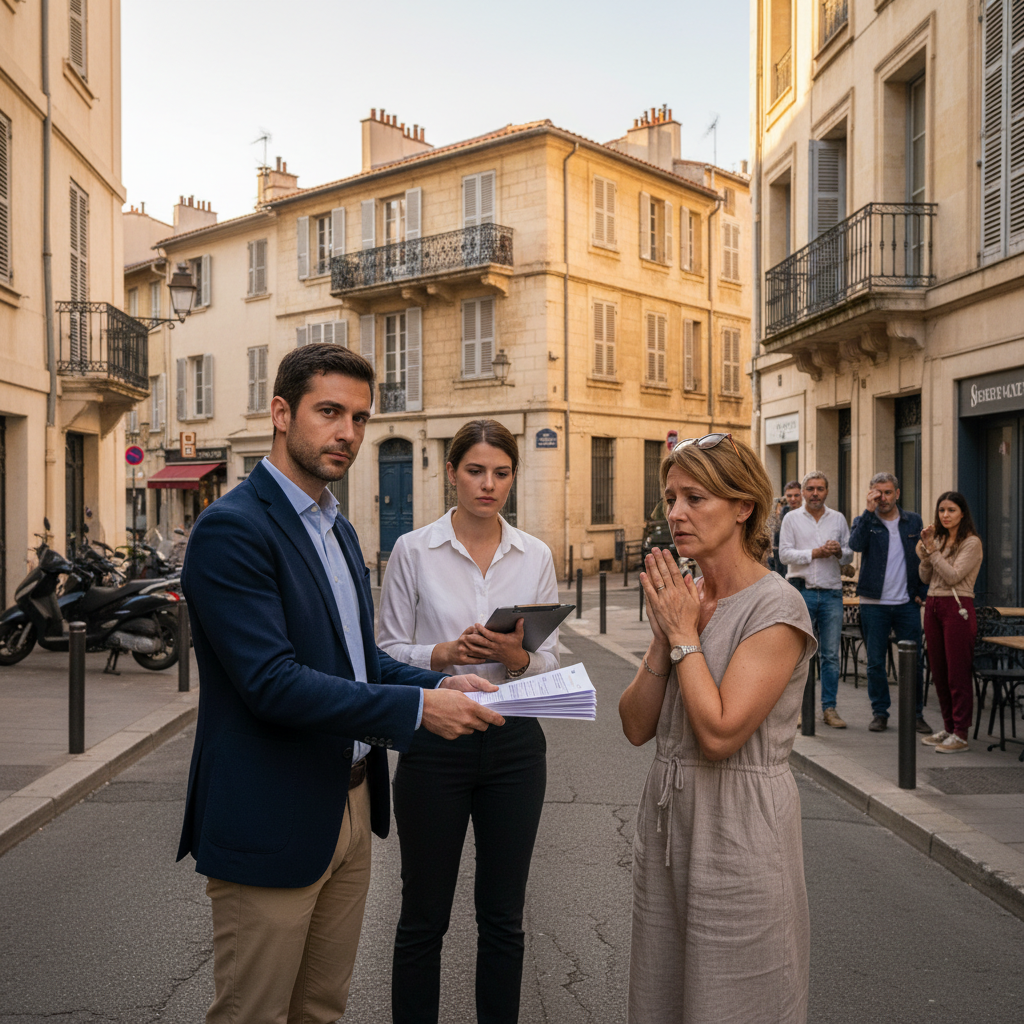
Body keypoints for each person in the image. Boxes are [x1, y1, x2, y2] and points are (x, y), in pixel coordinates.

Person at [177, 345, 504, 1024]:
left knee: (321, 1009)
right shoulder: (232, 529)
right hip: (271, 813)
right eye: (329, 412)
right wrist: (418, 709)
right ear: (280, 413)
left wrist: (447, 681)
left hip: (351, 807)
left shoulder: (338, 528)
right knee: (253, 1014)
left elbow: (361, 663)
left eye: (358, 416)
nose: (348, 433)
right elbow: (273, 683)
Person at [619, 432, 816, 1024]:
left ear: (743, 507)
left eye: (695, 498)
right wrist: (665, 634)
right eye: (671, 497)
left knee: (736, 999)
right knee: (664, 995)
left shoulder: (776, 607)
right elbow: (635, 726)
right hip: (669, 824)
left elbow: (722, 733)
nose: (676, 513)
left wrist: (683, 635)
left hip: (740, 828)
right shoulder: (687, 597)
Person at [378, 418, 559, 1024]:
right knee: (423, 917)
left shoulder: (534, 554)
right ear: (451, 472)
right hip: (437, 740)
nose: (489, 485)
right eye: (476, 471)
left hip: (515, 745)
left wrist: (520, 657)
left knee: (504, 918)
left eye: (501, 473)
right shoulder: (412, 550)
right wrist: (443, 655)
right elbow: (385, 651)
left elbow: (550, 657)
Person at [849, 473, 932, 734]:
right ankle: (880, 713)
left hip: (907, 601)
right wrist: (868, 512)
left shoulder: (913, 521)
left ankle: (915, 714)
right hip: (874, 602)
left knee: (914, 661)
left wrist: (922, 590)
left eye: (887, 492)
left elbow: (923, 557)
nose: (882, 498)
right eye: (877, 493)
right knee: (875, 661)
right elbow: (855, 545)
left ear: (897, 493)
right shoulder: (865, 521)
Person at [778, 471, 853, 728]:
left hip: (831, 592)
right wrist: (815, 553)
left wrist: (840, 551)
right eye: (810, 488)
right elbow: (785, 555)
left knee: (831, 655)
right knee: (799, 655)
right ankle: (797, 710)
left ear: (826, 491)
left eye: (819, 488)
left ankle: (829, 709)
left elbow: (849, 556)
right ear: (803, 491)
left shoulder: (838, 519)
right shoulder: (791, 518)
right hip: (802, 591)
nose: (814, 493)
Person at [916, 492, 984, 753]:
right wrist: (926, 554)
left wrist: (932, 552)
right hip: (932, 604)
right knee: (939, 671)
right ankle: (947, 726)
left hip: (957, 607)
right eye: (942, 510)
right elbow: (925, 577)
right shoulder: (940, 540)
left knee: (957, 672)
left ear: (962, 513)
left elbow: (953, 576)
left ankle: (961, 733)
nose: (945, 515)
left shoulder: (971, 542)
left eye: (951, 510)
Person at [770, 480, 803, 576]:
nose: (793, 499)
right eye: (789, 496)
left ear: (802, 494)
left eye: (796, 495)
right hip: (783, 564)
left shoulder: (807, 514)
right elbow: (777, 542)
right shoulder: (783, 512)